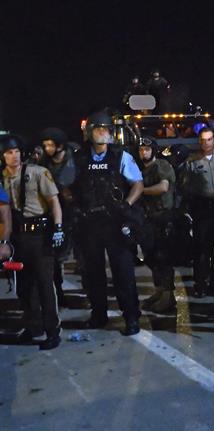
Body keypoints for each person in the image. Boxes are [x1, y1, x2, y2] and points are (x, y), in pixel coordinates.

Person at [72, 110, 144, 335]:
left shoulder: (121, 156)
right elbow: (65, 183)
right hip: (89, 223)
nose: (104, 133)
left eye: (107, 129)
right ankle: (99, 314)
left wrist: (128, 205)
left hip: (115, 222)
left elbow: (138, 184)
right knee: (93, 272)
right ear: (89, 132)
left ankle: (131, 317)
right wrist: (72, 203)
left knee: (123, 272)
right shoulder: (79, 158)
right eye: (99, 129)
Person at [1, 134, 63, 349]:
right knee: (24, 287)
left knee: (45, 285)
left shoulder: (37, 172)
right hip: (19, 236)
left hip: (39, 234)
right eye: (9, 152)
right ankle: (32, 326)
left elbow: (54, 201)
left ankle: (52, 331)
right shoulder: (3, 178)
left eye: (17, 151)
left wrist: (58, 228)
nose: (14, 156)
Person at [179, 127, 214, 298]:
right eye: (202, 140)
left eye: (209, 139)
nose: (206, 143)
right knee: (202, 248)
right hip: (202, 208)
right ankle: (200, 284)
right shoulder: (191, 161)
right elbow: (185, 186)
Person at [137, 137, 178, 312]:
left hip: (163, 217)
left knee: (164, 257)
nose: (143, 152)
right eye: (141, 150)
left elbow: (163, 187)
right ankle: (159, 291)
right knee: (151, 256)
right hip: (147, 218)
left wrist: (140, 191)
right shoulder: (139, 168)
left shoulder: (161, 165)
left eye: (146, 149)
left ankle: (168, 296)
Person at [39, 127, 77, 302]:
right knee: (54, 257)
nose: (48, 148)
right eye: (45, 145)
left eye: (51, 145)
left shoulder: (75, 160)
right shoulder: (43, 163)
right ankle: (58, 292)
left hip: (76, 212)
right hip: (54, 212)